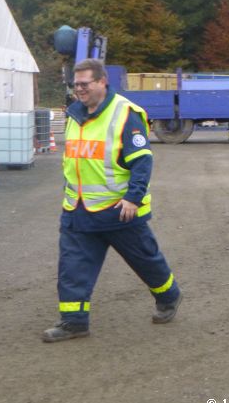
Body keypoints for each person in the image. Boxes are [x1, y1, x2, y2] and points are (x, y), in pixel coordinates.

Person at [42, 58, 183, 342]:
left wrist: (133, 198)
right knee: (73, 267)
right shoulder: (73, 114)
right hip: (78, 210)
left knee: (146, 261)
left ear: (102, 81)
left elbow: (142, 162)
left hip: (119, 211)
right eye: (75, 84)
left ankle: (169, 296)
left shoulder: (126, 114)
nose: (79, 90)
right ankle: (74, 322)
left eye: (85, 84)